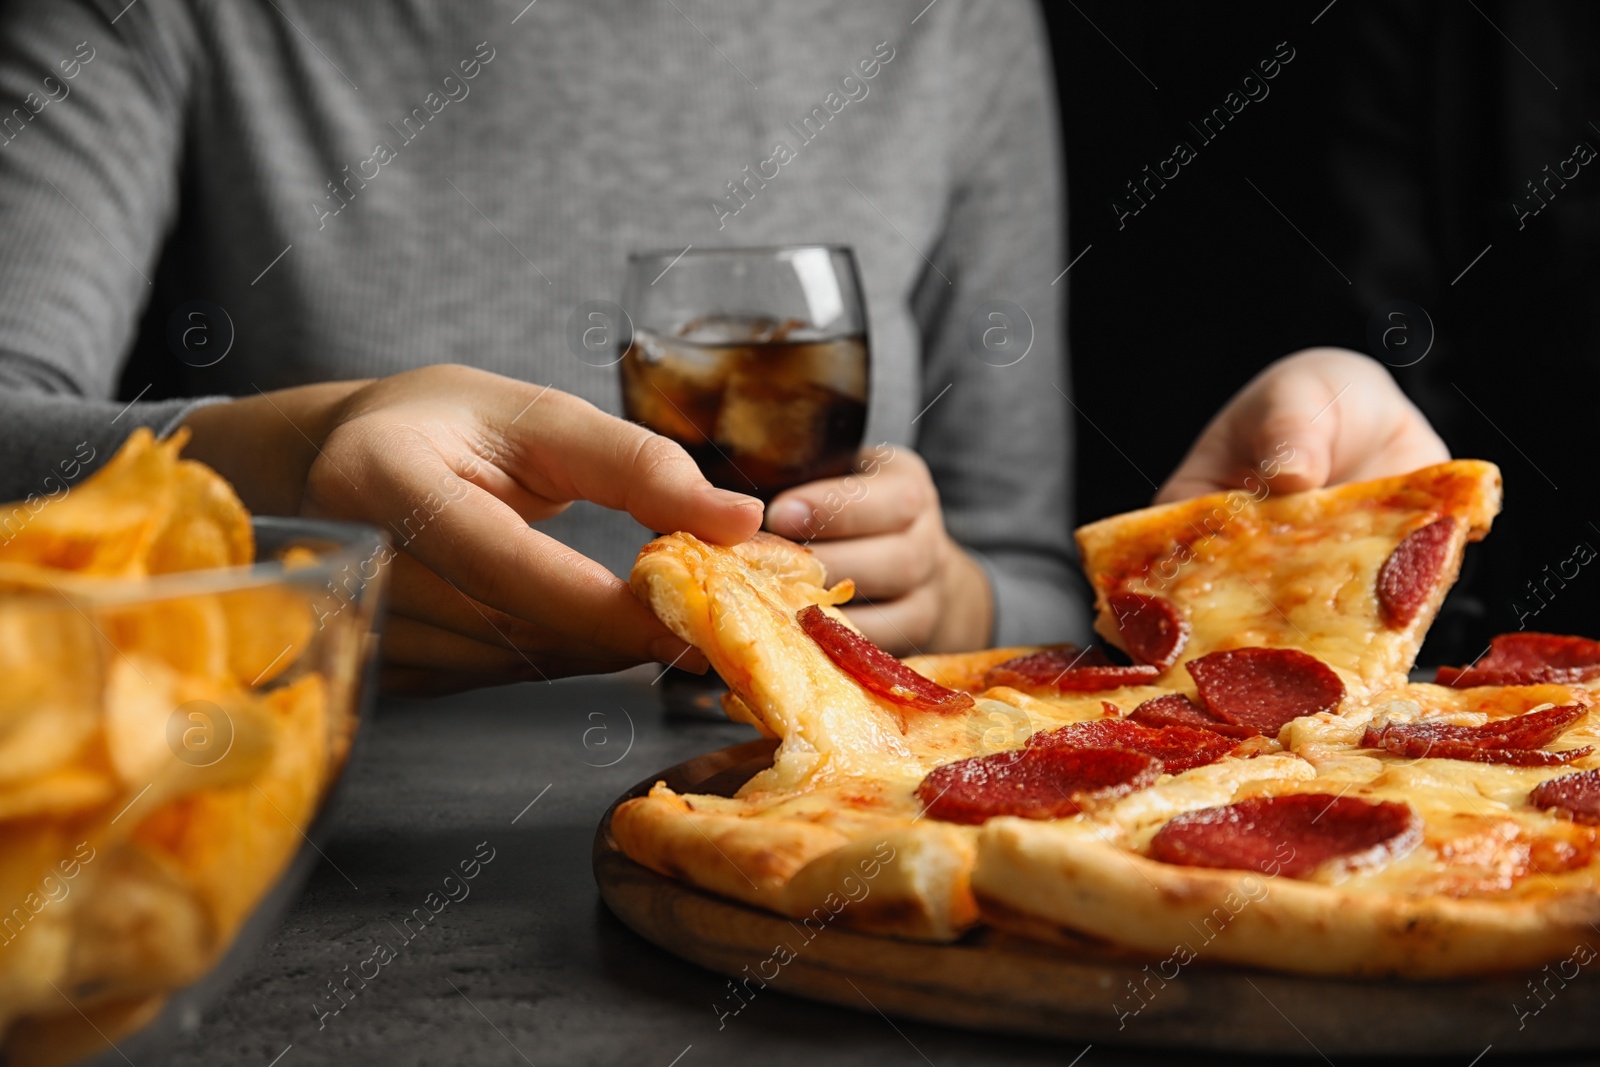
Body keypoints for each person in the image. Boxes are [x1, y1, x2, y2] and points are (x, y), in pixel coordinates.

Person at [0, 0, 1445, 695]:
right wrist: (278, 462)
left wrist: (933, 598)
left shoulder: (944, 21)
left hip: (828, 869)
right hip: (283, 858)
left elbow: (1017, 563)